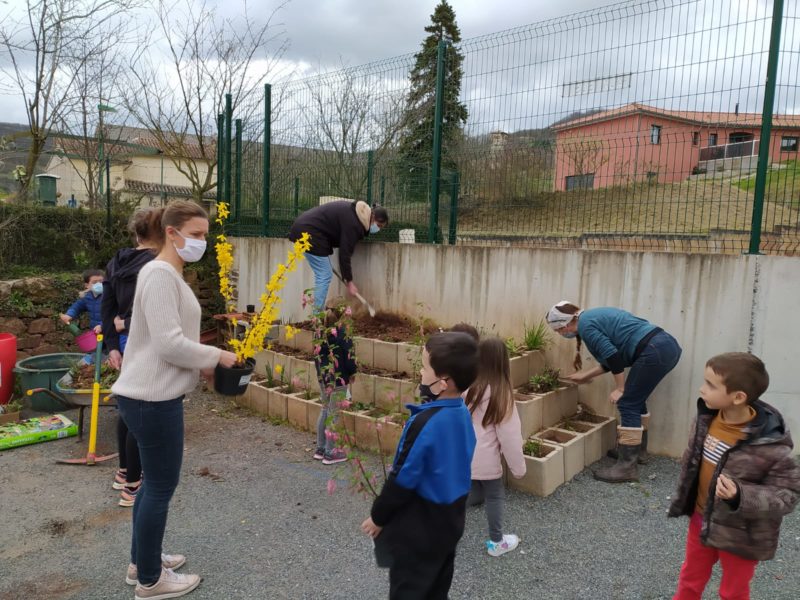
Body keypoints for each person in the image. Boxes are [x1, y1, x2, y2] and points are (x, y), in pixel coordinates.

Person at [112, 200, 237, 599]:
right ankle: (151, 581)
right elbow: (168, 344)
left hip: (147, 396)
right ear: (172, 232)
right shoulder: (162, 274)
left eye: (204, 235)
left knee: (150, 487)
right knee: (160, 488)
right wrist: (217, 356)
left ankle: (142, 562)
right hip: (153, 400)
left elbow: (161, 340)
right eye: (197, 235)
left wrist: (198, 365)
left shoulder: (164, 273)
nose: (202, 242)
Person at [668, 352, 800, 599]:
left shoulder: (771, 443)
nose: (701, 389)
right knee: (689, 580)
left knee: (733, 591)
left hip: (741, 533)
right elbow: (692, 458)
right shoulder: (706, 419)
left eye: (710, 384)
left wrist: (741, 495)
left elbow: (788, 495)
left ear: (738, 397)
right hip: (701, 520)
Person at [361, 332, 478, 600]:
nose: (421, 374)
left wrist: (379, 516)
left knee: (409, 589)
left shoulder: (424, 423)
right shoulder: (462, 414)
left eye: (425, 368)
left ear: (443, 382)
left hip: (419, 528)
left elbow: (402, 477)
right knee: (437, 587)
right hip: (451, 521)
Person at [545, 301, 681, 483]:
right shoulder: (592, 317)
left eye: (558, 330)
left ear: (566, 324)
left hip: (653, 350)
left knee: (627, 402)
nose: (560, 334)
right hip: (665, 346)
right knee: (637, 400)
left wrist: (621, 388)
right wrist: (586, 375)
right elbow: (616, 358)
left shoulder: (586, 326)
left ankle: (626, 467)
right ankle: (636, 451)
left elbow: (613, 357)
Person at [102, 208, 160, 508]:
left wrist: (111, 345)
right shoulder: (156, 265)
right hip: (145, 344)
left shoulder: (116, 261)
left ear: (136, 234)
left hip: (123, 344)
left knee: (127, 408)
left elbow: (106, 308)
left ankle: (124, 472)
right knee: (141, 413)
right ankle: (133, 485)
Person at [464, 337, 526, 557]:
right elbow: (510, 437)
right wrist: (518, 469)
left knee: (466, 488)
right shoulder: (502, 394)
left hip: (464, 453)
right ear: (503, 362)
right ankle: (497, 542)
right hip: (486, 458)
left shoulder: (469, 387)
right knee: (495, 495)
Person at [288, 200, 388, 311]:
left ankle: (317, 315)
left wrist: (347, 278)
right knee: (324, 274)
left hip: (306, 229)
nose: (378, 229)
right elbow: (345, 253)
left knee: (324, 273)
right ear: (372, 217)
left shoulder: (357, 213)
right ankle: (316, 317)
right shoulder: (354, 224)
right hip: (308, 231)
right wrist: (349, 281)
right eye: (379, 225)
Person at [313, 307, 358, 465]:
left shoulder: (319, 333)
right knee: (334, 413)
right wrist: (352, 373)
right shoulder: (343, 334)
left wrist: (322, 376)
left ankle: (320, 448)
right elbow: (349, 358)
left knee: (325, 409)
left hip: (323, 378)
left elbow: (316, 356)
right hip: (339, 380)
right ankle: (331, 452)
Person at [60, 268, 105, 335]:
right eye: (94, 282)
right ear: (87, 285)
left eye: (101, 282)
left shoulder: (110, 297)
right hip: (96, 332)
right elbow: (77, 307)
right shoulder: (87, 297)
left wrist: (102, 326)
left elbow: (113, 314)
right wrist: (69, 315)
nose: (99, 284)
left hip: (110, 333)